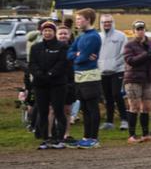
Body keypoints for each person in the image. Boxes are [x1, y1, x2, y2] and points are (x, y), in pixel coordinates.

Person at [29, 21, 69, 149]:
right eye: (45, 30)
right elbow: (32, 64)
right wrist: (39, 74)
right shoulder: (35, 47)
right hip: (40, 85)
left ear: (54, 32)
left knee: (58, 110)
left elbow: (62, 63)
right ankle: (45, 138)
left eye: (50, 30)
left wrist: (51, 74)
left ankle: (60, 138)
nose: (47, 33)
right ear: (41, 32)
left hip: (57, 84)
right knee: (43, 111)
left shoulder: (61, 46)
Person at [66, 8, 103, 148]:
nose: (77, 21)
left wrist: (78, 56)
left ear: (88, 20)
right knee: (85, 109)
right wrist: (77, 55)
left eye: (80, 19)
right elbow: (70, 53)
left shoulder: (93, 36)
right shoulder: (81, 36)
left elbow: (81, 58)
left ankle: (94, 138)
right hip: (80, 77)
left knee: (92, 107)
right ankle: (86, 136)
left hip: (90, 77)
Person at [121, 21, 151, 143]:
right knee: (134, 106)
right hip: (133, 79)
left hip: (148, 79)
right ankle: (131, 135)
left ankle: (146, 134)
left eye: (142, 28)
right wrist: (146, 54)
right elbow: (130, 60)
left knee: (146, 107)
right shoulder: (129, 45)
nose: (140, 31)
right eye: (138, 29)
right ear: (133, 31)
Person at [96, 13, 128, 131]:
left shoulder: (121, 36)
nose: (107, 24)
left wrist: (114, 64)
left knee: (116, 94)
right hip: (102, 71)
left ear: (113, 22)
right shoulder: (98, 37)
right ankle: (109, 121)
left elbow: (123, 53)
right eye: (104, 22)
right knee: (107, 96)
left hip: (117, 70)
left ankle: (124, 120)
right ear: (101, 23)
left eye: (109, 21)